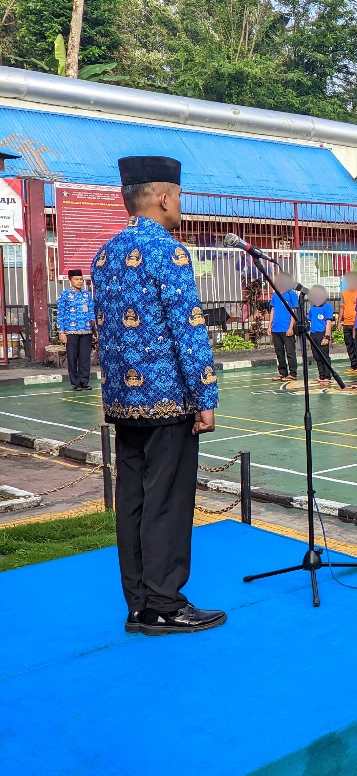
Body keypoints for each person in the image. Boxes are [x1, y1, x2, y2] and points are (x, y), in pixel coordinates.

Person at [92, 155, 222, 635]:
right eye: (179, 196)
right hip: (169, 402)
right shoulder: (169, 252)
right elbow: (188, 330)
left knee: (133, 503)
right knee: (166, 502)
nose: (180, 205)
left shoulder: (103, 255)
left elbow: (102, 330)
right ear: (164, 197)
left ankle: (139, 604)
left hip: (123, 403)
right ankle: (166, 603)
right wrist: (204, 396)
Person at [57, 269, 95, 390]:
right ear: (70, 281)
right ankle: (75, 382)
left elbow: (91, 312)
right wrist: (61, 332)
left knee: (85, 357)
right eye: (76, 279)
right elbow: (60, 314)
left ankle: (84, 381)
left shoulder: (87, 295)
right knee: (73, 357)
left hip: (86, 330)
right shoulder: (65, 295)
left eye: (81, 279)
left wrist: (94, 330)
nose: (79, 282)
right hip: (71, 331)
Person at [269, 272, 298, 381]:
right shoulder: (276, 295)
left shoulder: (292, 295)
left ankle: (293, 373)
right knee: (279, 352)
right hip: (276, 328)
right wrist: (269, 325)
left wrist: (291, 327)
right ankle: (282, 373)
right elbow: (273, 309)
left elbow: (293, 312)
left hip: (286, 328)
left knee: (290, 352)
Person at [307, 285, 335, 385]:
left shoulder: (327, 307)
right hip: (313, 334)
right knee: (317, 356)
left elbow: (328, 323)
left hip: (322, 334)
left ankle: (327, 376)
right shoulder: (312, 308)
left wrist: (326, 336)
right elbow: (310, 323)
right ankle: (321, 376)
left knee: (324, 356)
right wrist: (309, 338)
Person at [339, 271, 357, 372]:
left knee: (356, 345)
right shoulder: (344, 293)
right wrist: (339, 322)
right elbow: (342, 308)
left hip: (356, 323)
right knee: (349, 345)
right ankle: (353, 364)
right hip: (346, 323)